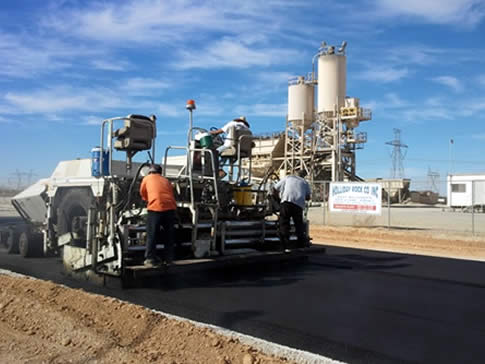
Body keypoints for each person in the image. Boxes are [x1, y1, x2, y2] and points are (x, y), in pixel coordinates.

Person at [139, 164, 177, 267]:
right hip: (170, 207)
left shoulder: (147, 179)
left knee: (152, 234)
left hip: (156, 207)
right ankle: (168, 259)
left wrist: (148, 200)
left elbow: (143, 193)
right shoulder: (166, 180)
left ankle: (150, 259)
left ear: (150, 171)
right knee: (168, 235)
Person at [271, 170, 311, 252]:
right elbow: (308, 197)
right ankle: (301, 244)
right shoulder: (305, 182)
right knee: (298, 224)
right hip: (298, 205)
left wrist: (277, 199)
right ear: (303, 176)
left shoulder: (288, 178)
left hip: (286, 202)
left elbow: (275, 188)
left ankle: (285, 245)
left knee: (284, 223)